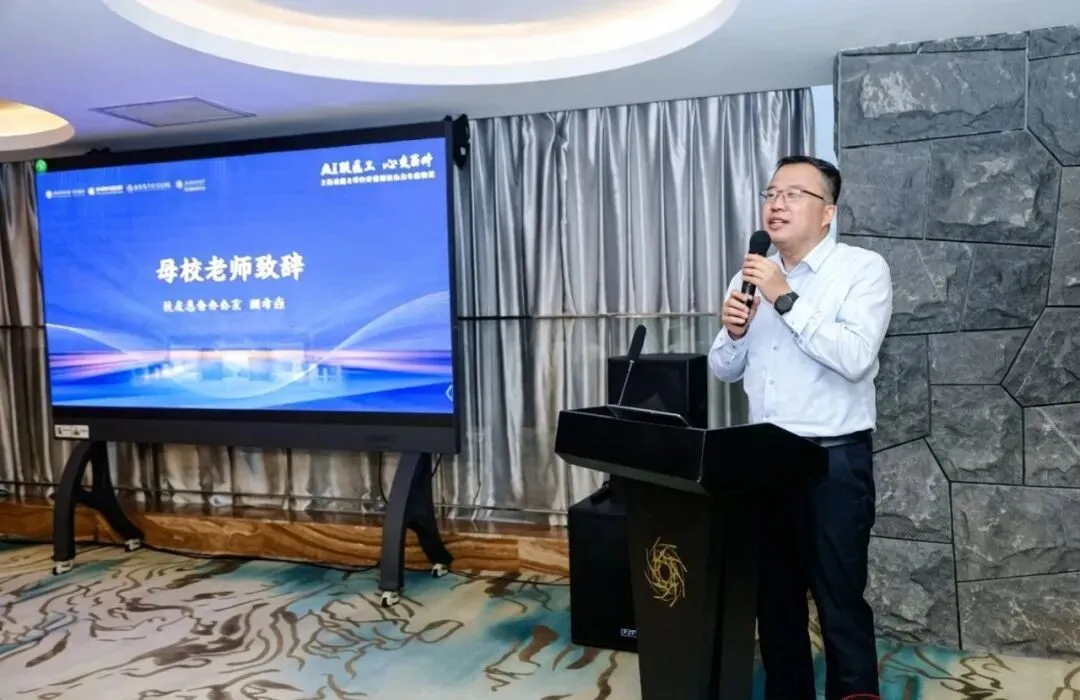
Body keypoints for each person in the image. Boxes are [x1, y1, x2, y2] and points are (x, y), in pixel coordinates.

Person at [708, 155, 892, 700]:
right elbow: (723, 369)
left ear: (827, 212)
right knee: (774, 603)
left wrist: (785, 298)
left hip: (831, 464)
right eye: (771, 194)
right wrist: (734, 334)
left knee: (840, 602)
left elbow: (855, 357)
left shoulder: (861, 270)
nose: (777, 204)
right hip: (763, 466)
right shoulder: (750, 275)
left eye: (793, 194)